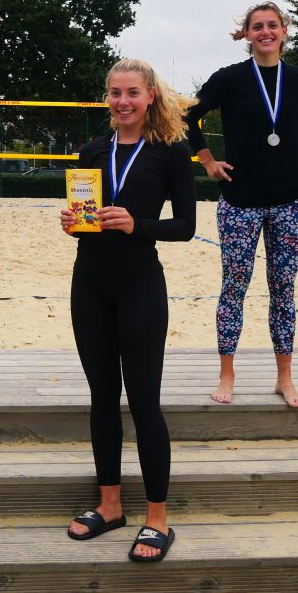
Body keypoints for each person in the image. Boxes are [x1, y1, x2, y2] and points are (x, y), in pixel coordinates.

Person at [60, 58, 196, 563]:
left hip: (140, 283)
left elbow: (184, 225)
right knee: (101, 397)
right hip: (89, 282)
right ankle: (110, 505)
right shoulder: (92, 151)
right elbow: (85, 217)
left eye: (132, 93)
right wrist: (75, 224)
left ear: (151, 97)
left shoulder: (170, 153)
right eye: (115, 93)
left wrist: (135, 224)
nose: (122, 102)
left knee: (143, 400)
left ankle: (157, 517)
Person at [185, 1, 298, 408]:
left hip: (289, 203)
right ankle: (227, 373)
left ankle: (285, 377)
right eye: (256, 26)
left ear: (284, 30)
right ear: (245, 35)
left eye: (272, 25)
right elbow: (191, 118)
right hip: (239, 202)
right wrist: (207, 160)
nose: (265, 31)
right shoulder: (229, 78)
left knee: (284, 289)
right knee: (234, 288)